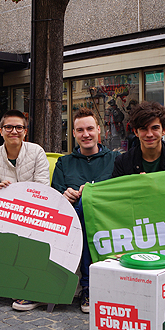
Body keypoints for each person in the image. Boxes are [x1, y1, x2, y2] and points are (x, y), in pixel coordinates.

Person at [0, 109, 50, 311]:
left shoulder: (36, 152)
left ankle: (31, 288)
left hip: (33, 212)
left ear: (25, 131)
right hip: (5, 211)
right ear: (1, 131)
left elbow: (43, 187)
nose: (14, 131)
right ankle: (0, 281)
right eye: (9, 127)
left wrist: (22, 201)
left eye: (19, 127)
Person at [51, 108, 116, 313]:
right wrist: (65, 195)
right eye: (80, 130)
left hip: (106, 220)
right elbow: (55, 194)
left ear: (99, 130)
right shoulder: (64, 162)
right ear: (73, 134)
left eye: (90, 129)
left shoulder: (114, 159)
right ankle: (84, 286)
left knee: (86, 205)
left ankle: (87, 285)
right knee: (80, 208)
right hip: (71, 220)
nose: (86, 134)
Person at [112, 101, 165, 178]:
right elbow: (117, 190)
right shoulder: (123, 162)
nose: (149, 134)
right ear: (136, 132)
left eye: (155, 128)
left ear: (164, 130)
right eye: (143, 129)